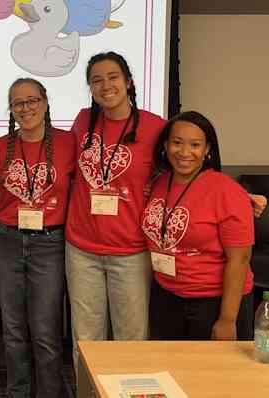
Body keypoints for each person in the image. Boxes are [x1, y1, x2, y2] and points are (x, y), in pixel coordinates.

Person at [65, 52, 165, 360]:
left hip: (131, 251)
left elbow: (186, 174)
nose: (105, 85)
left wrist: (239, 196)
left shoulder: (154, 127)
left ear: (129, 82)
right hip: (82, 249)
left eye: (113, 77)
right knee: (86, 340)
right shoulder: (83, 121)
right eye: (96, 80)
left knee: (131, 340)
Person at [0, 78, 75, 398]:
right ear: (11, 110)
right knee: (13, 332)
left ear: (46, 102)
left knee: (46, 332)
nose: (26, 108)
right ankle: (17, 392)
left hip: (49, 244)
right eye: (19, 103)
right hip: (7, 242)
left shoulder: (67, 143)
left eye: (32, 100)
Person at [143, 111, 254, 340]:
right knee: (170, 369)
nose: (184, 153)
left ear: (207, 149)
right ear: (165, 145)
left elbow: (240, 259)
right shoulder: (159, 182)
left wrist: (227, 319)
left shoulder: (226, 190)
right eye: (177, 143)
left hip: (211, 302)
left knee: (210, 374)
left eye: (195, 145)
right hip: (166, 295)